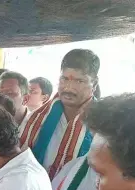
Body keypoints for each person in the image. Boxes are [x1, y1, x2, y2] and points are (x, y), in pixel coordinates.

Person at [21, 49, 99, 179]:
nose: (68, 87)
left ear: (94, 83)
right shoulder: (36, 118)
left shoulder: (102, 125)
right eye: (64, 79)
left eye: (79, 81)